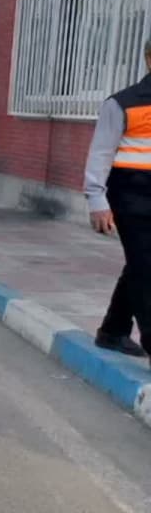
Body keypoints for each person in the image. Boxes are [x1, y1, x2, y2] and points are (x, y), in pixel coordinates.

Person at [84, 38, 151, 358]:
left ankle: (112, 331)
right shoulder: (122, 104)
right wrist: (97, 200)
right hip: (130, 196)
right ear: (149, 59)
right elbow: (100, 153)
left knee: (140, 263)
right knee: (145, 268)